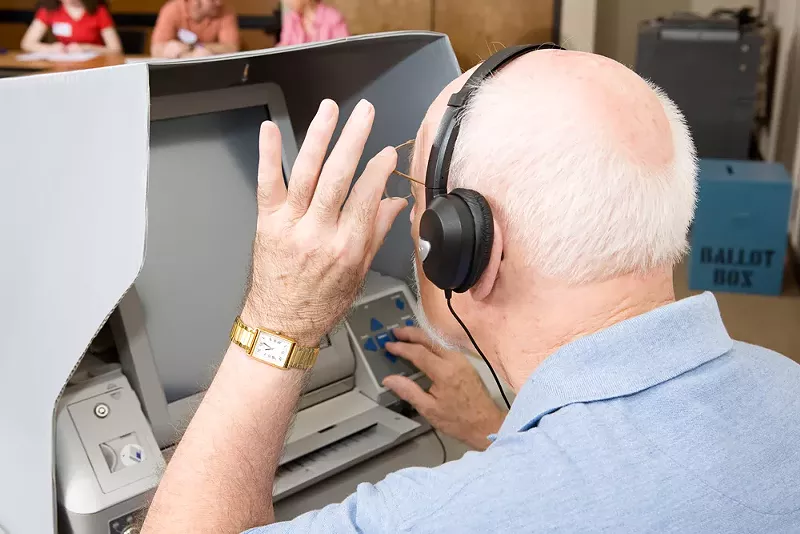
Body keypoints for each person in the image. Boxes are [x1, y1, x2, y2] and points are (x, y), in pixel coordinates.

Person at [141, 48, 800, 533]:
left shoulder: (441, 518)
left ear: (464, 246)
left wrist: (277, 320)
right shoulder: (786, 385)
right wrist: (500, 431)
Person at [21, 0, 122, 55]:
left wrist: (86, 48)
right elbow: (27, 43)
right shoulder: (49, 9)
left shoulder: (98, 10)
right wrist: (50, 48)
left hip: (94, 65)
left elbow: (115, 49)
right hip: (62, 65)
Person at [151, 0, 239, 59]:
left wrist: (190, 49)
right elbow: (156, 49)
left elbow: (232, 48)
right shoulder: (172, 9)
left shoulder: (226, 11)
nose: (219, 2)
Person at [278, 0, 349, 47]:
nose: (285, 2)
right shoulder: (290, 19)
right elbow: (284, 45)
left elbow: (343, 48)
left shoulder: (333, 17)